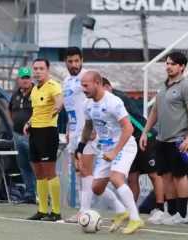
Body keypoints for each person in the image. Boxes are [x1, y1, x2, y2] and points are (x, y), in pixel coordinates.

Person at [77, 70, 144, 235]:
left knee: (116, 178)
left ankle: (136, 218)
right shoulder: (87, 104)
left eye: (86, 85)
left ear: (97, 83)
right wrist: (80, 147)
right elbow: (87, 127)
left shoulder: (113, 102)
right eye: (82, 86)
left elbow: (129, 128)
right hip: (106, 148)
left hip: (124, 146)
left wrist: (115, 152)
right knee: (96, 188)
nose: (83, 89)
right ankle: (121, 210)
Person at [140, 51, 188, 225]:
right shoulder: (164, 86)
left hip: (179, 139)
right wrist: (145, 132)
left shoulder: (186, 86)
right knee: (165, 176)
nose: (168, 66)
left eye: (172, 64)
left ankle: (182, 215)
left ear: (182, 67)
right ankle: (171, 212)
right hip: (162, 139)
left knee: (180, 176)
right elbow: (155, 111)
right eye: (167, 63)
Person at [102, 77, 165, 223]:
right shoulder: (104, 100)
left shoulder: (117, 98)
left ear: (107, 87)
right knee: (132, 177)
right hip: (129, 141)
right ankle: (132, 211)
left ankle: (160, 210)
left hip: (144, 135)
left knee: (154, 174)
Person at [24, 58, 64, 221]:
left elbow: (59, 99)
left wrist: (58, 107)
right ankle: (42, 210)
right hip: (35, 132)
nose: (38, 71)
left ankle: (55, 211)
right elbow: (37, 112)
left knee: (49, 171)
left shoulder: (53, 85)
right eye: (35, 68)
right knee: (38, 173)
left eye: (41, 68)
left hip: (48, 132)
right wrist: (29, 122)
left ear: (48, 70)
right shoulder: (34, 90)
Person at [63, 47, 97, 223]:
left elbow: (98, 98)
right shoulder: (66, 80)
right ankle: (83, 210)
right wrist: (69, 128)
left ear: (82, 60)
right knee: (79, 172)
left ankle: (84, 211)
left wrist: (95, 126)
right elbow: (71, 106)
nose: (74, 64)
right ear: (66, 61)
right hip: (74, 132)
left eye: (77, 61)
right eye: (70, 61)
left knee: (85, 171)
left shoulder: (88, 77)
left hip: (87, 132)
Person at [8, 66, 37, 204]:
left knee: (36, 166)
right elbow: (10, 110)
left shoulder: (37, 92)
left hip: (32, 135)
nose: (25, 81)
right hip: (18, 135)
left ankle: (44, 197)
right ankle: (30, 194)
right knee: (23, 166)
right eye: (23, 78)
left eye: (28, 78)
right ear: (18, 80)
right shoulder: (16, 95)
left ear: (31, 79)